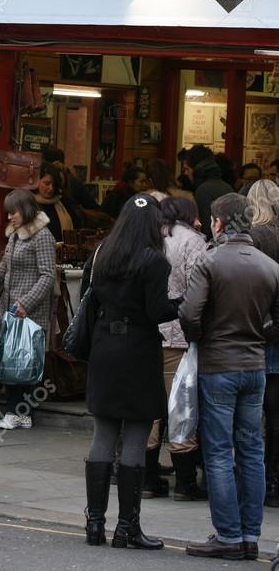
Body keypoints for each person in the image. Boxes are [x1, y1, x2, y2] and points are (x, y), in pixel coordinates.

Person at [180, 193, 279, 560]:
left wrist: (203, 338)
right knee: (252, 449)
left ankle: (228, 535)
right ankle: (250, 536)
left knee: (220, 450)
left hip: (219, 365)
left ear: (219, 223)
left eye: (212, 220)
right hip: (255, 366)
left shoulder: (210, 261)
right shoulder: (270, 266)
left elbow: (189, 314)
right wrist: (258, 337)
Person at [82, 193, 179, 550]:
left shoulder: (101, 254)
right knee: (137, 435)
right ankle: (127, 528)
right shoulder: (154, 261)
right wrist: (181, 304)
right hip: (138, 351)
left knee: (103, 433)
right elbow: (158, 311)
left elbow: (87, 299)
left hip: (104, 348)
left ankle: (95, 524)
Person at [143, 196, 206, 500]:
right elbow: (199, 291)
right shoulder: (193, 242)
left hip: (148, 335)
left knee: (149, 409)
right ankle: (185, 482)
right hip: (180, 338)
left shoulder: (149, 238)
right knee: (182, 407)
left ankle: (147, 479)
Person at [0, 189, 55, 430]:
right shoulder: (16, 235)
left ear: (26, 210)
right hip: (11, 309)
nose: (10, 217)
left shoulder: (43, 236)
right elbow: (4, 267)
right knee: (12, 361)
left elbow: (48, 275)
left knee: (23, 363)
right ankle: (19, 413)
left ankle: (18, 412)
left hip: (29, 312)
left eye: (13, 212)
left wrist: (26, 304)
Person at [246, 178, 279, 507]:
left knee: (254, 412)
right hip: (274, 329)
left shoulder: (253, 237)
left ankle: (258, 479)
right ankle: (273, 479)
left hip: (257, 331)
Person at [183, 145, 230, 239]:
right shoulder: (225, 186)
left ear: (197, 170)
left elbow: (206, 228)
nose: (185, 173)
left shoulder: (203, 191)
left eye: (187, 169)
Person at [34, 163, 81, 242]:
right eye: (47, 184)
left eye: (54, 184)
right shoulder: (29, 204)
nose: (51, 188)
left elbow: (76, 226)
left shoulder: (63, 202)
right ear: (37, 182)